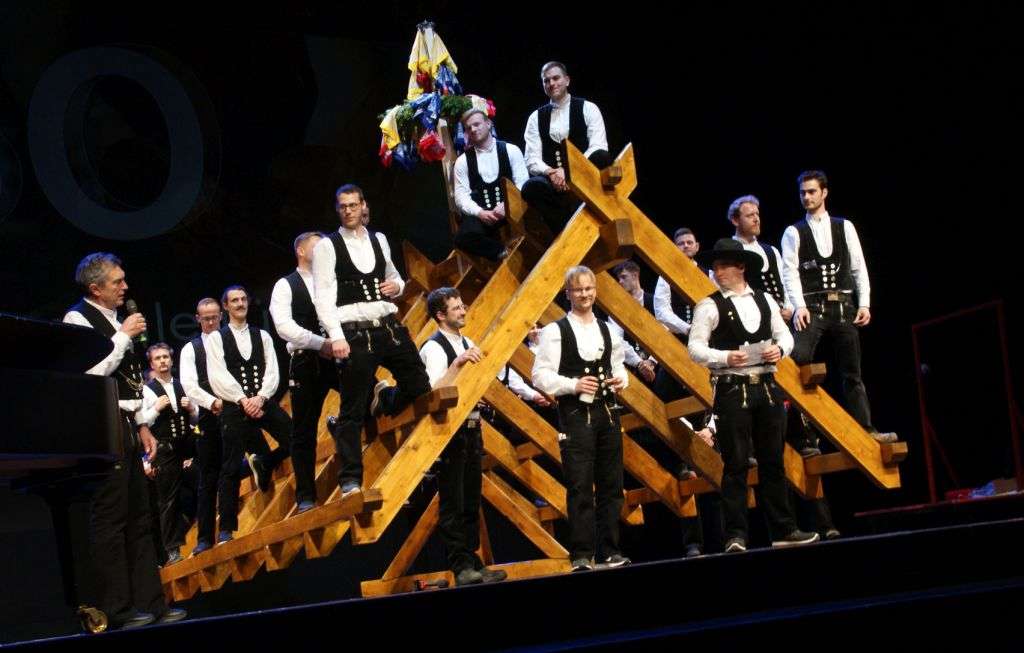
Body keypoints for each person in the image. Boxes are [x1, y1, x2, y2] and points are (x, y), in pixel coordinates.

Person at [63, 252, 185, 629]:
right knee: (112, 521)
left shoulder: (119, 320)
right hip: (100, 426)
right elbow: (88, 373)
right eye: (117, 282)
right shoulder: (77, 320)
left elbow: (130, 382)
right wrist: (122, 337)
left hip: (128, 423)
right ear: (95, 288)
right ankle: (117, 609)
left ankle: (152, 602)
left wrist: (143, 424)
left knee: (141, 517)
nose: (125, 287)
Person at [688, 239, 819, 552]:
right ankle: (735, 536)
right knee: (735, 464)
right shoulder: (709, 305)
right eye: (715, 267)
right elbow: (695, 348)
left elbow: (785, 336)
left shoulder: (765, 300)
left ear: (741, 267)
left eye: (724, 266)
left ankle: (784, 530)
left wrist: (780, 349)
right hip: (732, 389)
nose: (718, 272)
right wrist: (724, 357)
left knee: (772, 461)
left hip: (766, 387)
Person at [312, 183, 432, 498]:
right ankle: (350, 480)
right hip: (354, 332)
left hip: (388, 327)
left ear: (363, 205)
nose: (349, 211)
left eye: (353, 205)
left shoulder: (378, 239)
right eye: (343, 206)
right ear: (338, 209)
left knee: (420, 384)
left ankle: (388, 401)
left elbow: (395, 277)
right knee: (352, 409)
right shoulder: (328, 246)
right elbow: (323, 296)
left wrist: (397, 287)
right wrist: (336, 336)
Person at [781, 170, 894, 451]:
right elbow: (789, 273)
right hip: (813, 307)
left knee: (852, 371)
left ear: (824, 192)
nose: (806, 197)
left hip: (843, 306)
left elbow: (858, 267)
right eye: (802, 193)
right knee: (797, 360)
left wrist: (864, 302)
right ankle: (804, 436)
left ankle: (866, 430)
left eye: (811, 191)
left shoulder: (845, 226)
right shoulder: (794, 232)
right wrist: (799, 306)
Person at [532, 265, 630, 571]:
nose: (584, 294)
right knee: (580, 485)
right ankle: (582, 555)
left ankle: (610, 551)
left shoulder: (609, 330)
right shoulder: (555, 332)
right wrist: (573, 385)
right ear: (568, 294)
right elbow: (539, 375)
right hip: (576, 415)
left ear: (595, 291)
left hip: (608, 412)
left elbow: (619, 366)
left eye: (588, 289)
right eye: (578, 290)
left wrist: (621, 380)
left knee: (611, 484)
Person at [419, 287, 510, 585]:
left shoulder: (467, 341)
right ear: (440, 315)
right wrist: (457, 364)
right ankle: (460, 566)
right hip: (450, 433)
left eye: (462, 305)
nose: (463, 311)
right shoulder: (433, 348)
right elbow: (434, 393)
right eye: (456, 308)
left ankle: (473, 561)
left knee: (471, 500)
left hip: (472, 427)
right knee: (453, 502)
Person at [205, 285, 294, 542]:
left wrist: (261, 397)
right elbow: (217, 376)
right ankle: (226, 530)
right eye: (235, 300)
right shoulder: (216, 339)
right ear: (226, 306)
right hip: (235, 406)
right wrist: (243, 399)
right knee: (231, 466)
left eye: (243, 299)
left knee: (296, 438)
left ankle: (266, 461)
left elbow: (273, 370)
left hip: (261, 400)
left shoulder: (262, 335)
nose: (240, 304)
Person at [269, 232, 334, 513]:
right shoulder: (286, 285)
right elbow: (284, 326)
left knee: (368, 398)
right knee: (304, 431)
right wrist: (320, 343)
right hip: (307, 361)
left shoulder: (331, 280)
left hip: (337, 354)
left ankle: (341, 429)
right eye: (317, 247)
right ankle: (306, 495)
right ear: (301, 251)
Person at [522, 61, 612, 233]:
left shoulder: (588, 108)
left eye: (556, 78)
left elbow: (598, 145)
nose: (551, 83)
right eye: (546, 81)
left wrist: (570, 171)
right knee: (530, 188)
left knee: (601, 156)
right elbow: (531, 159)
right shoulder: (535, 118)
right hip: (554, 183)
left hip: (585, 175)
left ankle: (585, 219)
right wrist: (552, 172)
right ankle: (566, 229)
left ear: (567, 80)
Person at [140, 342, 199, 565]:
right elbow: (141, 423)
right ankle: (172, 551)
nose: (163, 361)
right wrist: (156, 408)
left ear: (172, 360)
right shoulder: (147, 390)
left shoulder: (183, 385)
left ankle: (204, 535)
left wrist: (191, 409)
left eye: (165, 357)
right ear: (151, 364)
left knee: (202, 484)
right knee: (168, 501)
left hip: (187, 446)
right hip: (165, 450)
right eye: (158, 358)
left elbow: (196, 418)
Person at [179, 298, 229, 555]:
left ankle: (227, 530)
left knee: (232, 470)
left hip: (235, 411)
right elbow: (189, 385)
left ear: (221, 315)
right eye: (206, 318)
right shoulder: (191, 349)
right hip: (210, 415)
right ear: (198, 319)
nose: (211, 322)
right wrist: (212, 402)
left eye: (214, 317)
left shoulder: (231, 340)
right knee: (208, 477)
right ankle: (204, 538)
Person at [453, 109, 529, 260]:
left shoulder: (511, 150)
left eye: (476, 124)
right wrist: (479, 212)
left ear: (488, 124)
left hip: (513, 207)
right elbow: (461, 197)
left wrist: (507, 204)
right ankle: (503, 253)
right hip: (485, 216)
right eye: (468, 128)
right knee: (462, 237)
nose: (473, 129)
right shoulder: (462, 162)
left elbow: (523, 182)